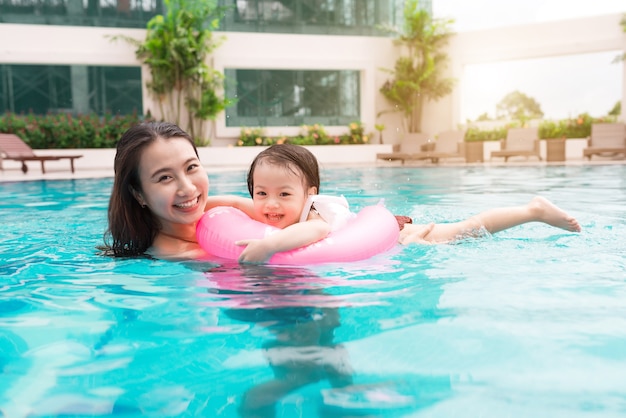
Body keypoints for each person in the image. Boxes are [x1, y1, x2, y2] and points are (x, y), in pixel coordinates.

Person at [103, 121, 580, 262]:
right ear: (139, 194)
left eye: (192, 167)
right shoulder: (171, 253)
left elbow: (233, 205)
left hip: (370, 237)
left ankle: (530, 209)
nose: (190, 189)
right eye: (165, 178)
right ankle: (530, 209)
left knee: (458, 233)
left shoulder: (226, 214)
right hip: (350, 247)